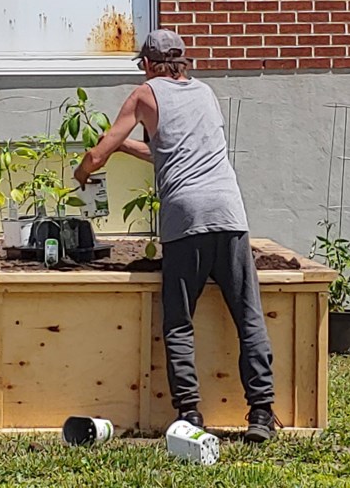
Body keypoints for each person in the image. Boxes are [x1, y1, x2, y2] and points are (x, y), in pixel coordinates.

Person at [73, 29, 278, 443]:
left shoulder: (145, 95)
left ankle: (190, 415)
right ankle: (260, 413)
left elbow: (97, 153)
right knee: (248, 316)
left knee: (179, 323)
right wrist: (129, 148)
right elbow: (170, 150)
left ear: (148, 64)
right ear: (183, 60)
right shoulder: (205, 93)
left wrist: (84, 170)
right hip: (230, 213)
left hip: (185, 220)